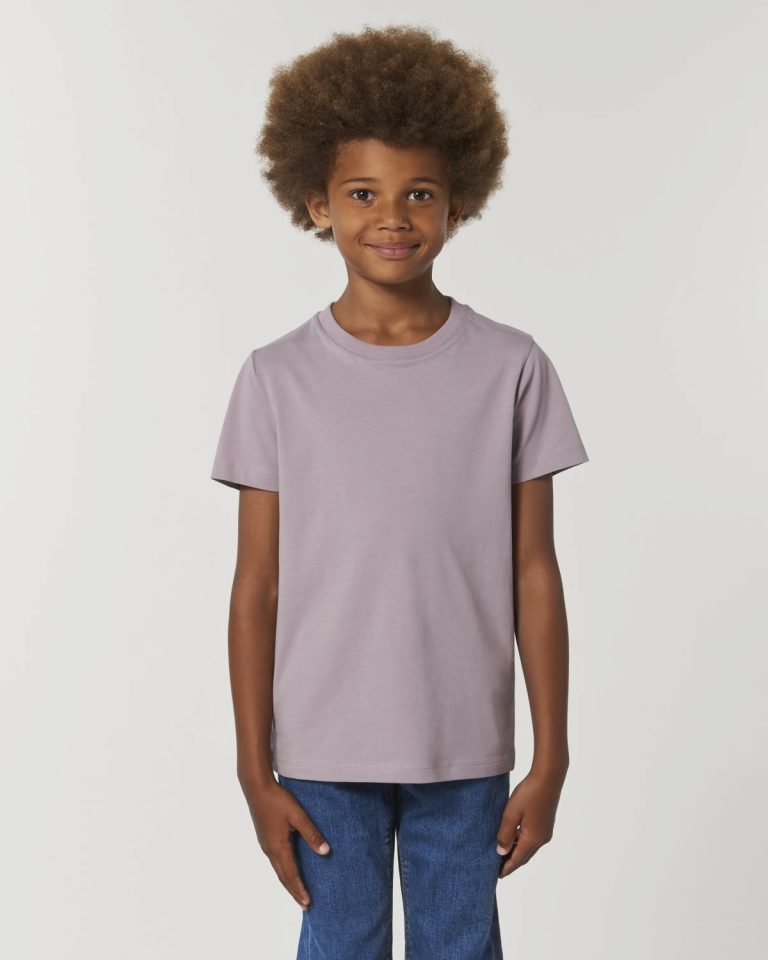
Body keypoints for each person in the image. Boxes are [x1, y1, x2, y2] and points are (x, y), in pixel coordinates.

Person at [210, 23, 589, 960]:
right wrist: (254, 770)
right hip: (321, 751)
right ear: (317, 204)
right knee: (339, 944)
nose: (393, 216)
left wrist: (552, 756)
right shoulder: (275, 377)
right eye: (362, 193)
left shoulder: (510, 367)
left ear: (458, 204)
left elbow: (534, 571)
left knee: (460, 947)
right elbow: (257, 584)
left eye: (419, 192)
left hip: (464, 747)